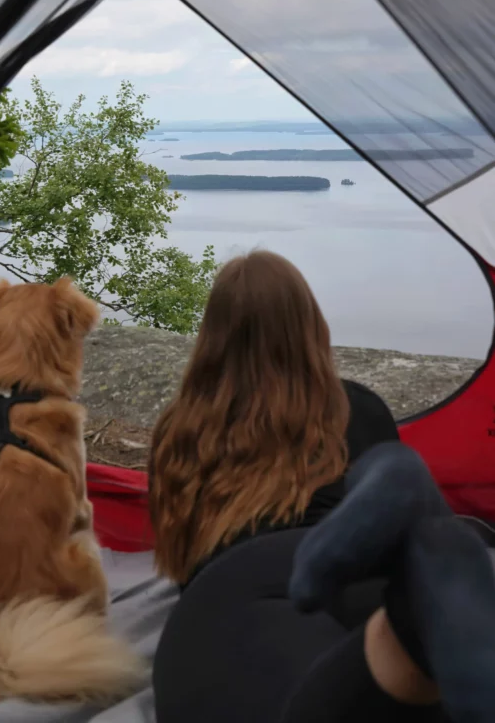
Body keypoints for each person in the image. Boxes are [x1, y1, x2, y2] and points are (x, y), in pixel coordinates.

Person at [153, 442, 495, 722]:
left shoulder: (179, 426)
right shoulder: (356, 404)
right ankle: (409, 615)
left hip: (225, 593)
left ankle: (407, 621)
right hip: (312, 564)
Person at [148, 249, 399, 587]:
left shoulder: (176, 428)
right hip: (328, 616)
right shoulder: (356, 412)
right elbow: (392, 539)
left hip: (209, 616)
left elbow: (181, 564)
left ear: (213, 336)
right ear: (309, 326)